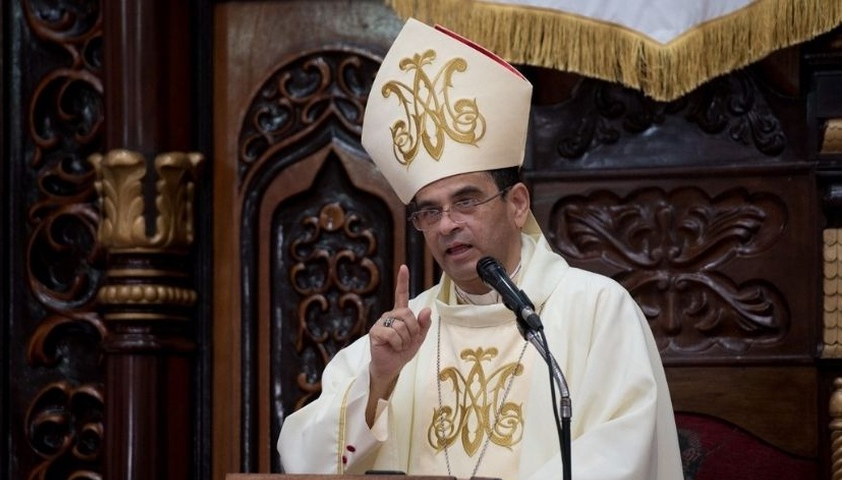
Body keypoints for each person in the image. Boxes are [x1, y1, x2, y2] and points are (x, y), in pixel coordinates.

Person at [277, 17, 684, 480]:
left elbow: (621, 453)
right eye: (429, 211)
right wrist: (378, 383)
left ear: (516, 204)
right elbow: (303, 459)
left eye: (466, 201)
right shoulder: (407, 332)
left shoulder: (595, 309)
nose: (448, 224)